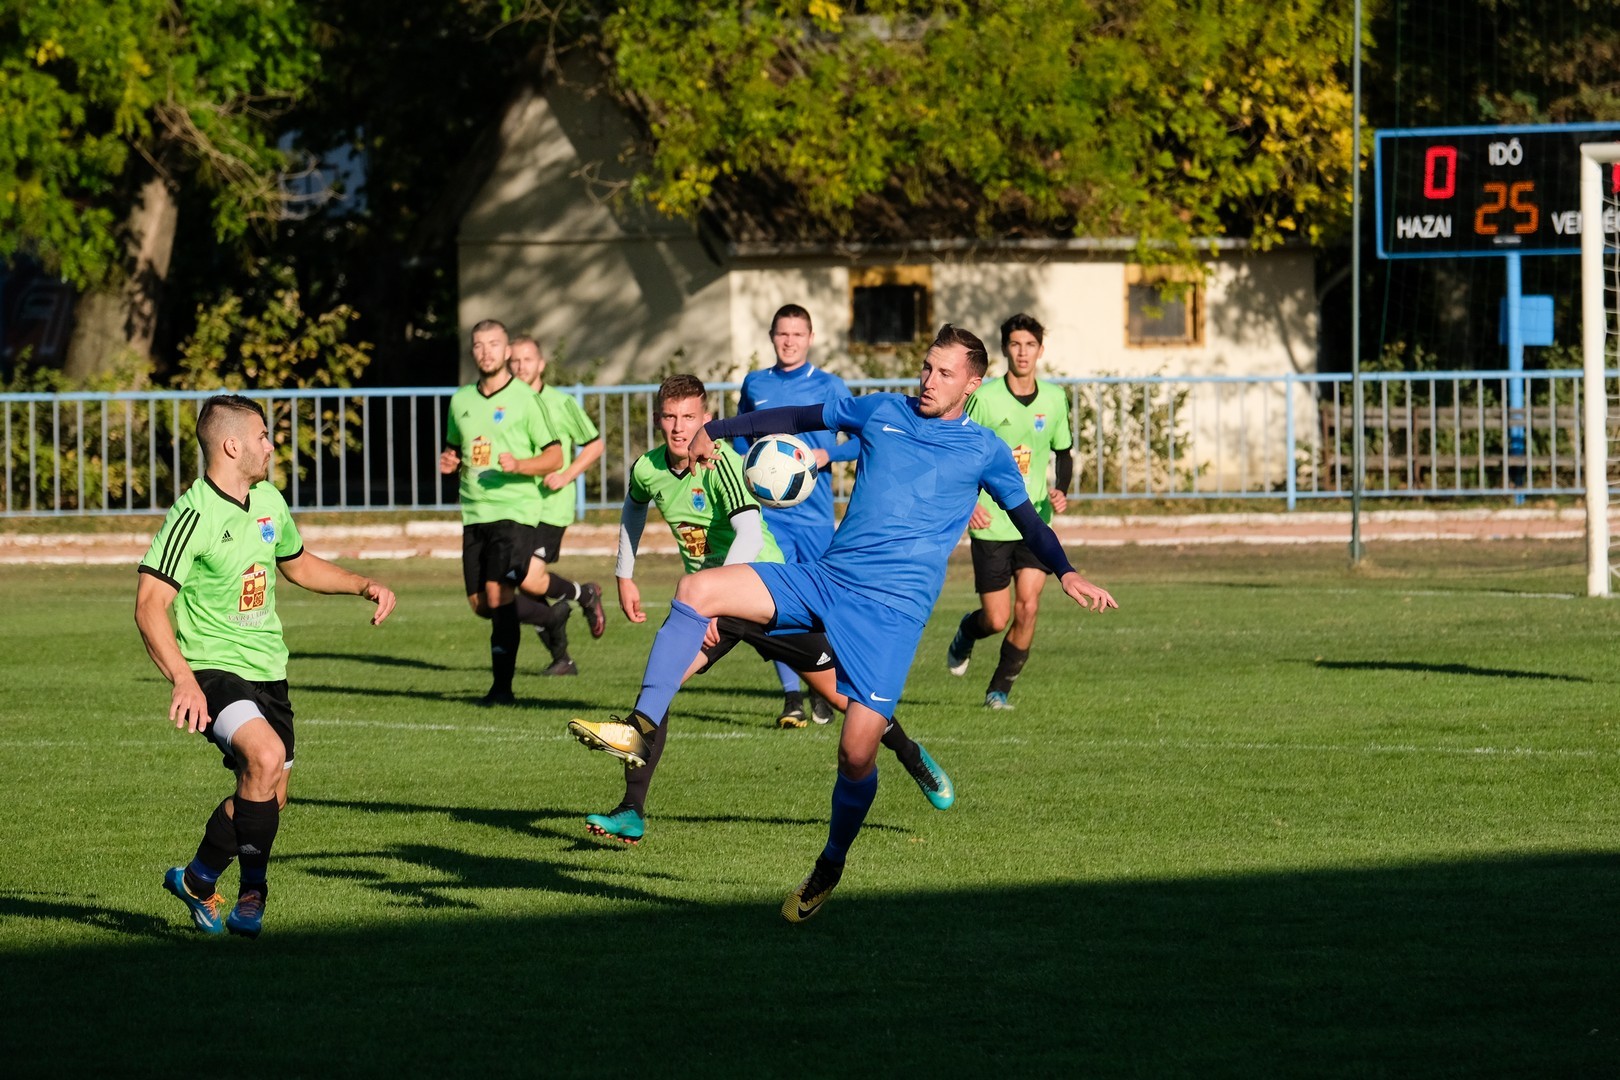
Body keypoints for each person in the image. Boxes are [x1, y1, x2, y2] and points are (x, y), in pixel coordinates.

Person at [567, 325, 1117, 922]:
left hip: (892, 616)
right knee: (696, 588)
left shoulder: (983, 450)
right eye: (926, 367)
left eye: (944, 373)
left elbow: (1028, 520)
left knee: (856, 753)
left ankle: (830, 863)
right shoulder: (882, 411)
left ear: (972, 384)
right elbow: (797, 416)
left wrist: (1066, 571)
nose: (929, 381)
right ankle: (639, 727)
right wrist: (714, 429)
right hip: (827, 579)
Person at [578, 375, 954, 844]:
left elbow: (751, 534)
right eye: (670, 417)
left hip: (767, 594)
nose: (679, 428)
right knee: (661, 685)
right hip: (710, 605)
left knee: (846, 695)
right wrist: (625, 574)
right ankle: (631, 810)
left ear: (706, 419)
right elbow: (634, 506)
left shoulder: (723, 464)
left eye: (689, 417)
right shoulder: (648, 468)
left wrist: (715, 605)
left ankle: (911, 755)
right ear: (658, 419)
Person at [136, 394, 396, 938]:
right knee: (266, 755)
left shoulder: (269, 501)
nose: (271, 446)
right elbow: (149, 604)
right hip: (213, 670)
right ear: (232, 445)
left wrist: (362, 584)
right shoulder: (192, 515)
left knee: (269, 793)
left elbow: (296, 563)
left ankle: (197, 879)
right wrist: (184, 679)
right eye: (262, 436)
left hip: (268, 671)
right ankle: (253, 895)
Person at [734, 304, 859, 728]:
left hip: (815, 519)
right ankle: (791, 697)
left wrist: (829, 453)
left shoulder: (830, 385)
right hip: (770, 519)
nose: (789, 341)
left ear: (810, 338)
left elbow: (862, 440)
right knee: (775, 606)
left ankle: (822, 688)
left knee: (823, 608)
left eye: (797, 334)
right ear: (772, 337)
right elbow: (740, 440)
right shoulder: (756, 383)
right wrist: (748, 461)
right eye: (782, 334)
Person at [946, 313, 1075, 709]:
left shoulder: (1054, 398)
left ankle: (999, 690)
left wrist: (1061, 489)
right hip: (991, 521)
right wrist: (969, 504)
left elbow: (1063, 452)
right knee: (996, 618)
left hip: (1033, 520)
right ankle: (968, 631)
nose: (1022, 352)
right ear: (1005, 349)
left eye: (1030, 345)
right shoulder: (984, 398)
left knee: (1029, 606)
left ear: (1040, 350)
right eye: (1015, 344)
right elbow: (960, 452)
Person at [439, 319, 562, 705]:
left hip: (516, 510)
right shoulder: (461, 400)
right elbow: (455, 448)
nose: (486, 352)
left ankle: (502, 689)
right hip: (474, 513)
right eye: (479, 345)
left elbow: (555, 456)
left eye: (494, 344)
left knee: (498, 592)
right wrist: (450, 460)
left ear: (507, 351)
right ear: (472, 351)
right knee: (481, 604)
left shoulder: (526, 398)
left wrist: (521, 466)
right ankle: (550, 616)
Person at [507, 334, 607, 675]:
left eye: (527, 360)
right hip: (516, 506)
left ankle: (585, 594)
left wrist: (566, 476)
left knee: (529, 579)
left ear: (541, 364)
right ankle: (562, 657)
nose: (520, 366)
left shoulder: (560, 403)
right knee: (514, 584)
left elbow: (594, 445)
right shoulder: (506, 405)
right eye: (514, 361)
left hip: (550, 506)